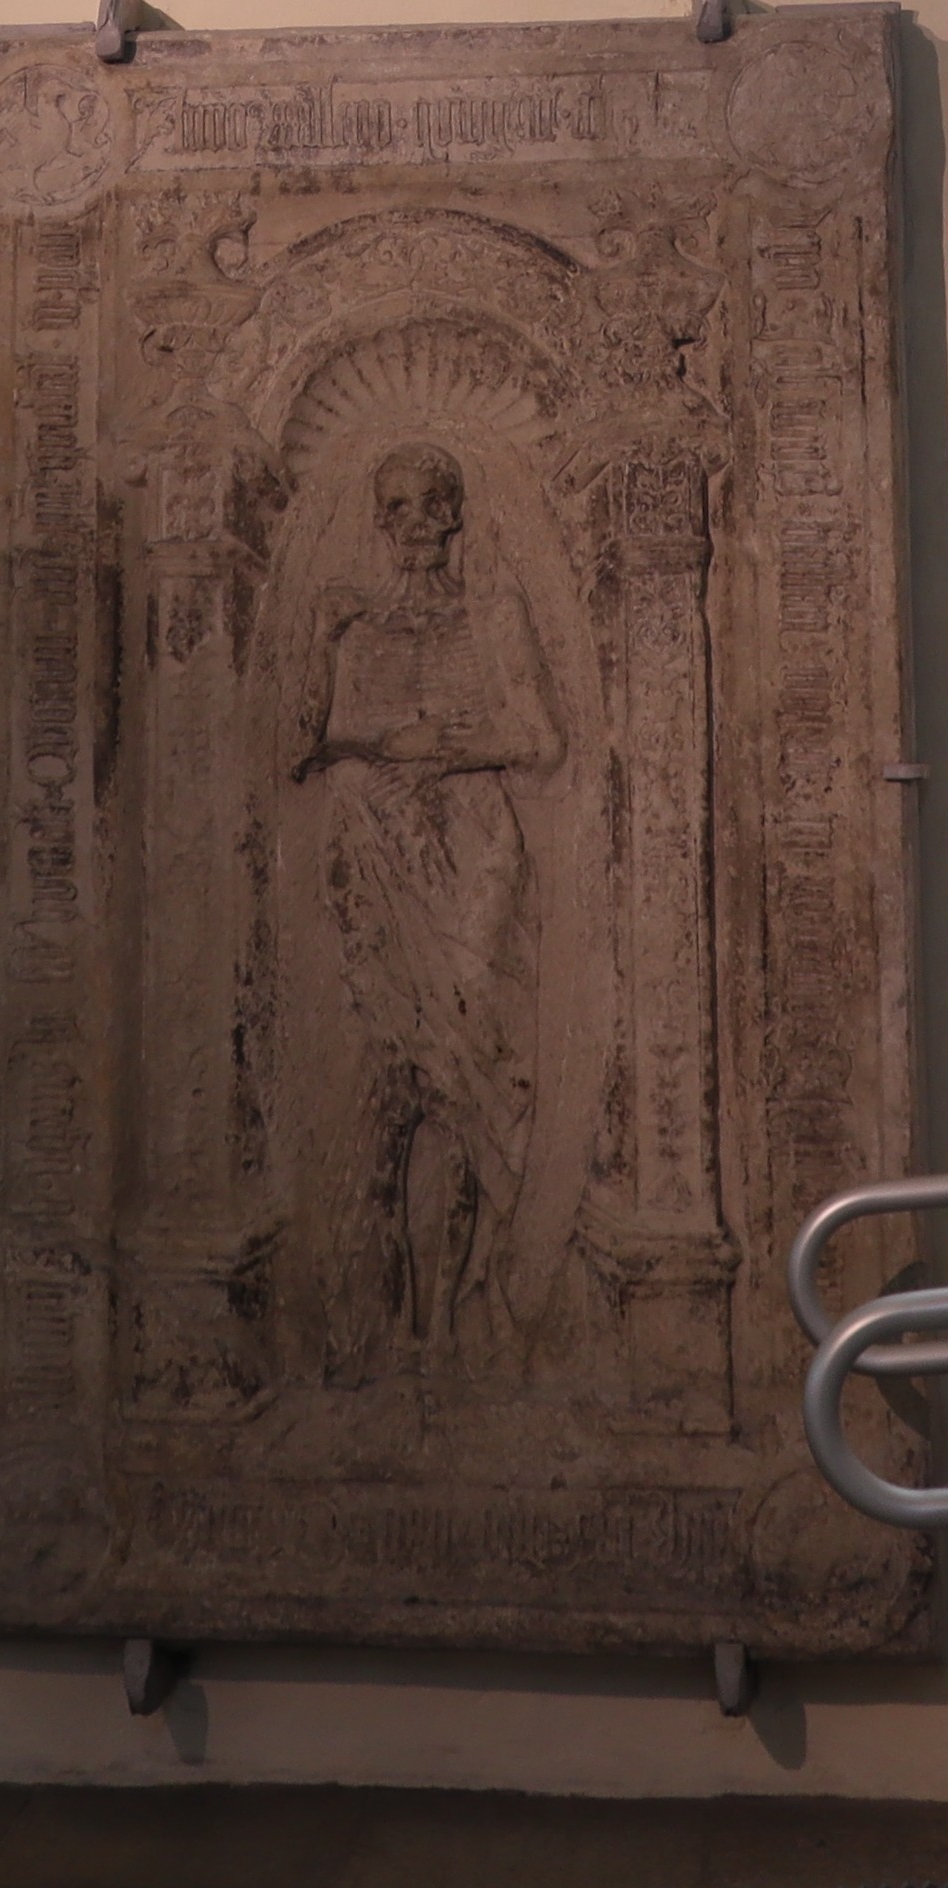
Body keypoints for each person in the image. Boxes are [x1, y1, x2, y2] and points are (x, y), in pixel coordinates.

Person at [293, 443, 563, 1381]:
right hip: (374, 856)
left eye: (428, 504)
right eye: (394, 506)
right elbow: (300, 745)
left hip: (473, 854)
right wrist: (321, 642)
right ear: (379, 520)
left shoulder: (490, 611)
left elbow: (539, 739)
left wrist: (441, 749)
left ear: (453, 513)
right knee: (386, 1087)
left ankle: (452, 1317)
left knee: (467, 1084)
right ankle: (377, 1326)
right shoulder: (354, 621)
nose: (411, 522)